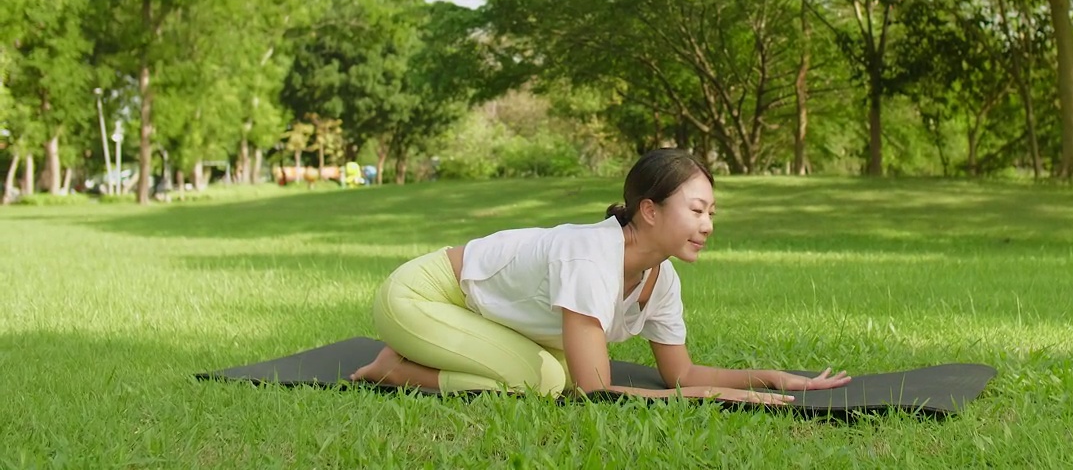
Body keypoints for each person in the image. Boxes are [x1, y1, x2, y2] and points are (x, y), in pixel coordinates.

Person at [351, 148, 852, 405]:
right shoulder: (593, 257)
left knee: (557, 375)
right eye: (698, 210)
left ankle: (417, 356)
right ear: (649, 211)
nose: (708, 225)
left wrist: (769, 378)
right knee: (548, 383)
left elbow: (681, 375)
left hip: (483, 313)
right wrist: (711, 397)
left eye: (712, 212)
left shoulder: (663, 278)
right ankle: (395, 370)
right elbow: (597, 394)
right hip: (422, 295)